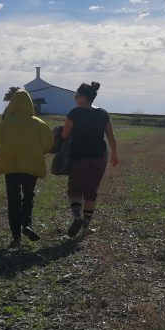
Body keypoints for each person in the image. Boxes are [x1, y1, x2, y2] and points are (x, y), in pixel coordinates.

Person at [0, 89, 54, 248]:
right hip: (31, 166)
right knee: (28, 197)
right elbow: (49, 144)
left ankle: (16, 238)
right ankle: (27, 224)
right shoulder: (38, 123)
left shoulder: (6, 123)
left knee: (13, 201)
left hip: (11, 167)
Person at [61, 81, 119, 237]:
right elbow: (111, 136)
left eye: (76, 96)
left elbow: (65, 135)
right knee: (91, 191)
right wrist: (114, 153)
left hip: (79, 156)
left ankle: (78, 217)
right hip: (99, 157)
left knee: (75, 189)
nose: (75, 99)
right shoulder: (103, 113)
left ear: (83, 97)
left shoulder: (75, 113)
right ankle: (86, 227)